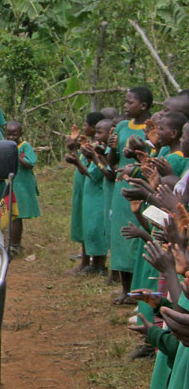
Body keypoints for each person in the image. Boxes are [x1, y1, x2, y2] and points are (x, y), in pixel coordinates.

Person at [108, 86, 152, 305]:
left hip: (142, 188)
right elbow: (113, 161)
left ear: (143, 106)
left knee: (139, 236)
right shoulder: (123, 126)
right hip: (120, 188)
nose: (125, 107)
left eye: (129, 103)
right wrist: (111, 150)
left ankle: (139, 290)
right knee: (121, 236)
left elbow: (152, 158)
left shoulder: (152, 128)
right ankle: (125, 289)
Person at [64, 112, 104, 274]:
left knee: (94, 226)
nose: (83, 128)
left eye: (86, 125)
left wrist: (76, 154)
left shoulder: (98, 148)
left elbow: (89, 168)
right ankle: (86, 261)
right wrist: (73, 148)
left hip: (93, 189)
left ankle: (97, 264)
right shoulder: (87, 144)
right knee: (84, 223)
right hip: (84, 187)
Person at [4, 121, 40, 255]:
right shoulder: (7, 145)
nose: (11, 137)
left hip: (23, 185)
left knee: (17, 215)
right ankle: (13, 244)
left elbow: (30, 164)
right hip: (13, 184)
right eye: (9, 134)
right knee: (13, 215)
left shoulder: (24, 146)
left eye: (15, 134)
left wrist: (17, 157)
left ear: (21, 134)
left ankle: (15, 245)